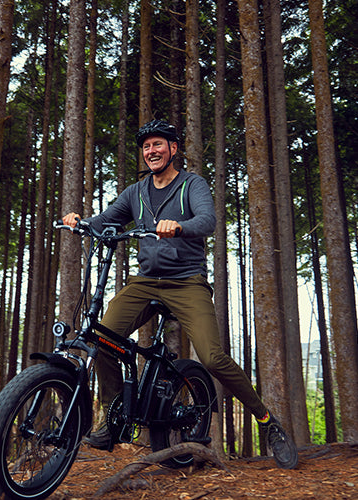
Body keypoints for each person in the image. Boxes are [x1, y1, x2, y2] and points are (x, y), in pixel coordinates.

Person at [62, 119, 298, 470]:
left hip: (187, 282)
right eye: (146, 147)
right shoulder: (136, 192)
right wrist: (80, 221)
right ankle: (112, 419)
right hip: (145, 282)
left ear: (173, 149)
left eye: (158, 144)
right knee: (100, 338)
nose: (152, 151)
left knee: (213, 358)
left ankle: (267, 421)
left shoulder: (192, 184)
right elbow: (108, 219)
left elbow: (207, 221)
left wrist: (180, 227)